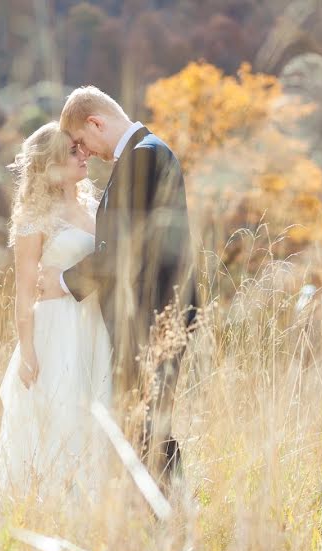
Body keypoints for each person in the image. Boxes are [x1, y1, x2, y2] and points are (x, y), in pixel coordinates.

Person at [0, 122, 113, 510]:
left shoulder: (94, 206)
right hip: (56, 330)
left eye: (81, 148)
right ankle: (55, 504)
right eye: (72, 152)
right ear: (50, 165)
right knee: (61, 415)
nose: (83, 154)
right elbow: (22, 295)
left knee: (94, 412)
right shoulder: (35, 219)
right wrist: (28, 351)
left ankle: (92, 500)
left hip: (93, 325)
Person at [40, 86, 198, 487]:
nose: (85, 152)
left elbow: (122, 248)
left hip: (154, 315)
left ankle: (171, 516)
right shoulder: (140, 154)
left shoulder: (143, 157)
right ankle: (166, 515)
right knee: (143, 423)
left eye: (81, 142)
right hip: (147, 314)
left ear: (96, 123)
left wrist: (63, 281)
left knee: (146, 425)